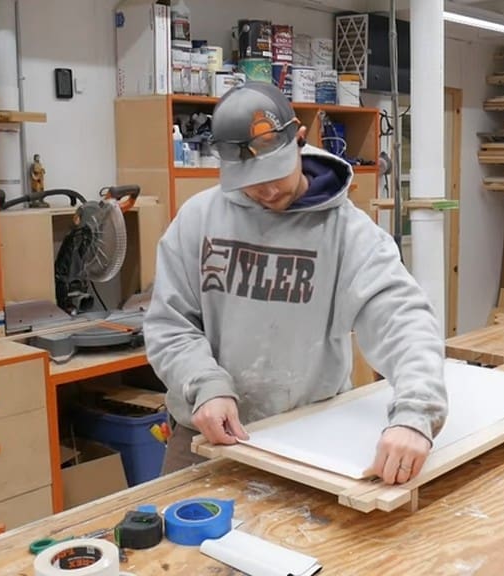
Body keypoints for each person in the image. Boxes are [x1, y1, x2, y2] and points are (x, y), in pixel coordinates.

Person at [143, 82, 448, 485]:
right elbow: (171, 323)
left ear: (300, 140)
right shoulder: (198, 220)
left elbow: (404, 322)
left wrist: (414, 414)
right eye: (250, 180)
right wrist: (206, 385)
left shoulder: (349, 234)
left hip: (310, 435)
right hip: (207, 436)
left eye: (275, 172)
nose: (267, 190)